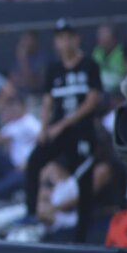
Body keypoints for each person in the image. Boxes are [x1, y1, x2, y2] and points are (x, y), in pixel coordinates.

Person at [22, 19, 103, 236]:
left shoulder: (89, 65)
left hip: (81, 130)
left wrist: (62, 124)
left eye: (68, 37)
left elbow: (92, 101)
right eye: (60, 38)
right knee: (35, 160)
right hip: (58, 130)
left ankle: (83, 231)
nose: (64, 42)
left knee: (84, 177)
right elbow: (48, 101)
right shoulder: (54, 69)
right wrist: (44, 128)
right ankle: (30, 213)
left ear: (76, 39)